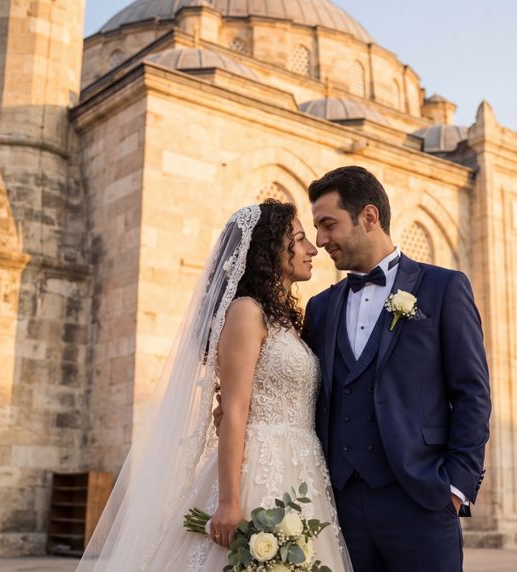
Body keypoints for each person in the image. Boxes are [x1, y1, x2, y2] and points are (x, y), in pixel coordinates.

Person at [77, 201, 353, 571]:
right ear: (270, 250)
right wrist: (228, 501)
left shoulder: (284, 319)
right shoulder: (246, 312)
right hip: (257, 467)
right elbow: (236, 408)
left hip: (303, 467)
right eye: (299, 239)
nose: (311, 248)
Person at [301, 166, 491, 571]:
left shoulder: (443, 288)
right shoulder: (320, 308)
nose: (320, 241)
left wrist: (455, 487)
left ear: (369, 217)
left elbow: (472, 393)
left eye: (328, 225)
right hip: (341, 511)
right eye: (316, 228)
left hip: (423, 504)